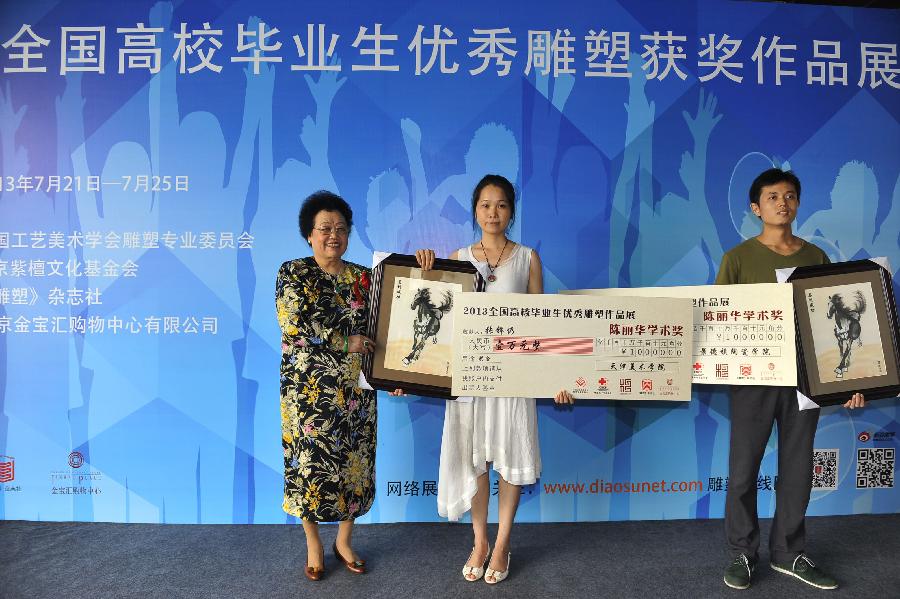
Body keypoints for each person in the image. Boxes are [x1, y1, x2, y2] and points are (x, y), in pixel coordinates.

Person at [412, 174, 574, 584]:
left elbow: (545, 325)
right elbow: (437, 321)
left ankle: (502, 544)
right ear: (475, 210)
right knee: (477, 459)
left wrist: (556, 376)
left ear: (511, 211)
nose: (493, 213)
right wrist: (428, 270)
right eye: (485, 205)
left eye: (501, 205)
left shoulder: (528, 259)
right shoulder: (457, 256)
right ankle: (479, 541)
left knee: (511, 459)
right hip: (470, 381)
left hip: (515, 379)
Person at [717, 168, 865, 591]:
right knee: (743, 471)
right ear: (755, 207)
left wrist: (853, 380)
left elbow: (836, 329)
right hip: (753, 381)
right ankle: (743, 554)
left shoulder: (816, 258)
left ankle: (788, 552)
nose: (783, 203)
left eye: (790, 196)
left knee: (798, 469)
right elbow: (717, 323)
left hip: (806, 381)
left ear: (798, 203)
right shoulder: (738, 258)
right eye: (772, 196)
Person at [276, 190, 377, 581]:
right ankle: (314, 543)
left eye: (341, 228)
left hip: (356, 391)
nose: (333, 235)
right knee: (310, 468)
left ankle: (344, 541)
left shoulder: (364, 278)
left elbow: (381, 329)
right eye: (324, 229)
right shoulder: (292, 272)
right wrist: (343, 341)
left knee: (354, 466)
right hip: (308, 393)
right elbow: (293, 324)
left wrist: (398, 372)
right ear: (309, 234)